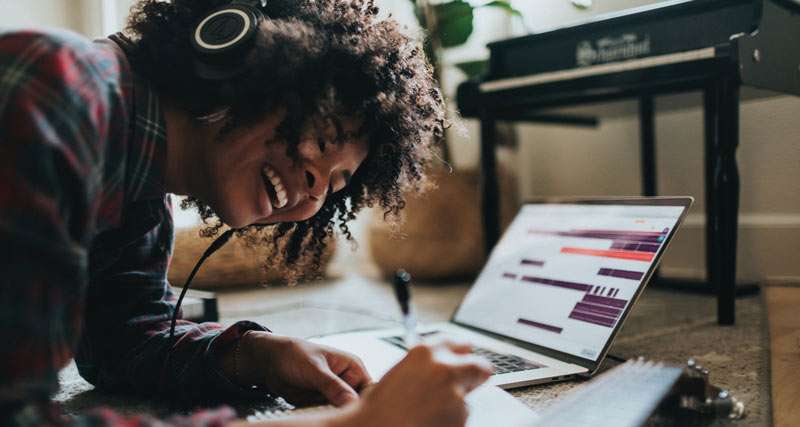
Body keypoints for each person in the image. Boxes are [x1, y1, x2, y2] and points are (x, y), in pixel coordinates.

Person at [0, 0, 492, 426]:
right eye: (320, 141)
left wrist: (253, 356)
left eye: (336, 186)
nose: (315, 190)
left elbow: (121, 339)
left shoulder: (141, 188)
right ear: (238, 61)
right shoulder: (59, 87)